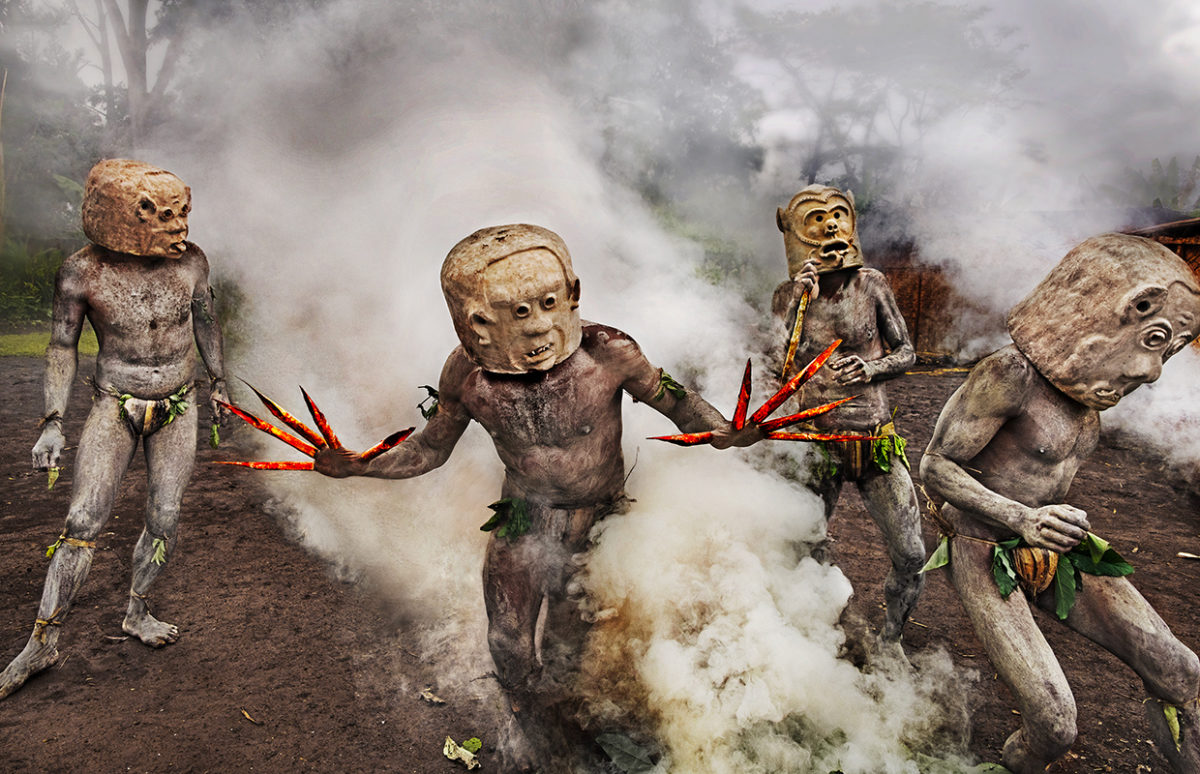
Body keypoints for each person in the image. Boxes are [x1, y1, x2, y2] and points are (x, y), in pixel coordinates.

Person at [314, 223, 761, 771]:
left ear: (572, 294)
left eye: (548, 303)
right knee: (509, 647)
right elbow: (430, 449)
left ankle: (567, 735)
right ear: (476, 323)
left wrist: (724, 429)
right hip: (522, 520)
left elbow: (679, 403)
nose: (541, 326)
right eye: (518, 312)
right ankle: (532, 737)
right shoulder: (465, 374)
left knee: (569, 654)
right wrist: (359, 465)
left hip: (597, 525)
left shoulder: (609, 351)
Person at [920, 233, 1200, 772]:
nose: (1152, 371)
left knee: (1181, 672)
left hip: (1057, 547)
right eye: (1151, 340)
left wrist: (1040, 526)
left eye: (1167, 350)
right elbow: (935, 467)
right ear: (1098, 312)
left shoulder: (1086, 398)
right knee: (1053, 722)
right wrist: (1020, 517)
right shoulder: (1010, 375)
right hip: (984, 549)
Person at [0, 159, 228, 700]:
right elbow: (62, 345)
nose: (180, 227)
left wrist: (219, 381)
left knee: (164, 516)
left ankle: (138, 610)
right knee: (82, 519)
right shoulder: (82, 271)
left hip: (179, 402)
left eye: (183, 214)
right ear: (128, 216)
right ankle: (43, 641)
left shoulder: (193, 263)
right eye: (163, 216)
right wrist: (52, 422)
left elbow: (205, 321)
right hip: (115, 404)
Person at [771, 184, 924, 643]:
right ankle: (820, 630)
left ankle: (891, 638)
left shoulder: (871, 284)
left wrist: (871, 368)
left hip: (874, 439)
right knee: (804, 545)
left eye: (838, 214)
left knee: (912, 553)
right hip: (817, 443)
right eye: (816, 218)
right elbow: (780, 368)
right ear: (796, 230)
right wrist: (799, 301)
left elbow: (908, 352)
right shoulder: (786, 295)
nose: (831, 225)